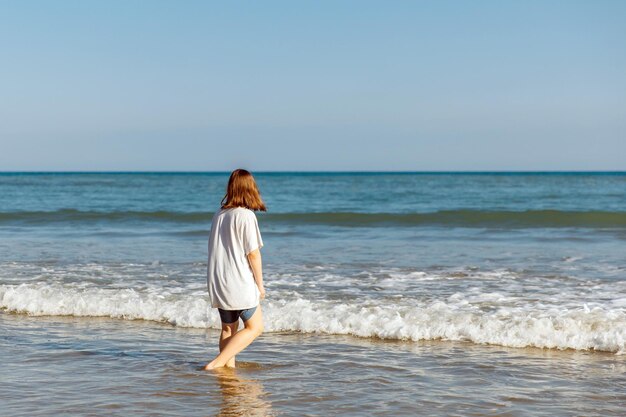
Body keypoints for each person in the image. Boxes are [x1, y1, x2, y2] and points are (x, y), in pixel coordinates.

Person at [204, 169, 267, 370]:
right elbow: (253, 254)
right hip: (239, 282)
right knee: (255, 327)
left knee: (228, 330)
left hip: (219, 280)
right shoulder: (246, 216)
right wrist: (260, 285)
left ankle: (227, 371)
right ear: (250, 188)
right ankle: (216, 364)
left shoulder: (219, 214)